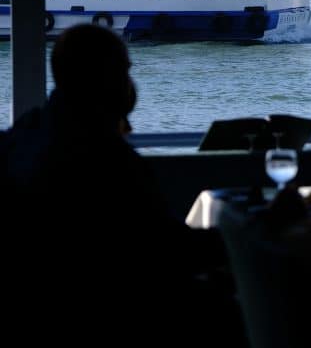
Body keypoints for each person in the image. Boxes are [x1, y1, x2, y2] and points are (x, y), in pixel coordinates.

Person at [0, 24, 243, 345]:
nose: (130, 83)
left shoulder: (26, 133)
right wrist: (253, 236)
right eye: (125, 71)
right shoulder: (105, 158)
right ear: (107, 80)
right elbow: (172, 250)